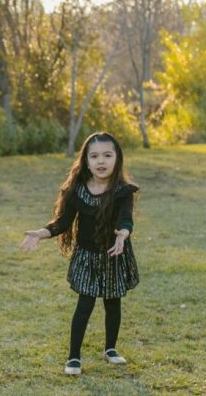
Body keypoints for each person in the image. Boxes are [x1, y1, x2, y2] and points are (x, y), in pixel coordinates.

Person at [20, 131, 140, 376]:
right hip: (86, 257)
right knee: (84, 306)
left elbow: (126, 219)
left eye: (107, 155)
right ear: (85, 160)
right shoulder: (76, 190)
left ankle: (110, 349)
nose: (101, 161)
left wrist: (123, 234)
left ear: (117, 158)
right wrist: (41, 233)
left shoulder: (122, 191)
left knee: (113, 303)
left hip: (113, 254)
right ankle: (74, 357)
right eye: (94, 156)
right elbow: (62, 222)